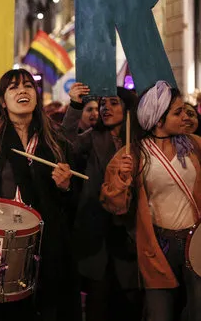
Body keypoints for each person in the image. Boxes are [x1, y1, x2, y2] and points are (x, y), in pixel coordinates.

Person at [0, 68, 81, 321]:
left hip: (45, 243)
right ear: (2, 100)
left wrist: (66, 186)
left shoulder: (55, 138)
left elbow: (73, 199)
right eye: (14, 87)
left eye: (28, 86)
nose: (22, 90)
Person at [101, 81, 201, 321]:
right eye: (177, 113)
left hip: (197, 240)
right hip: (157, 244)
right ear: (158, 120)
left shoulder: (195, 146)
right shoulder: (131, 155)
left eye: (185, 111)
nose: (185, 117)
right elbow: (114, 205)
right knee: (159, 313)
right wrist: (122, 179)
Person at [62, 82, 143, 321]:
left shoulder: (142, 142)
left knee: (129, 304)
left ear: (129, 109)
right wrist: (75, 106)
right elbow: (64, 145)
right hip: (97, 236)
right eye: (103, 104)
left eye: (113, 103)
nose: (105, 108)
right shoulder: (92, 137)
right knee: (99, 302)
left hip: (131, 236)